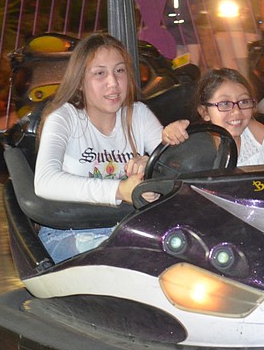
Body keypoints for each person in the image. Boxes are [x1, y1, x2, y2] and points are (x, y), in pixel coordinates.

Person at [34, 33, 182, 263]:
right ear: (80, 81)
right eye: (100, 73)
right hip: (69, 233)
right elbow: (45, 181)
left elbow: (178, 170)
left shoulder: (138, 114)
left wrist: (153, 166)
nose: (113, 83)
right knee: (128, 259)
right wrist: (121, 190)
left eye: (120, 71)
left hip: (130, 229)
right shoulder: (64, 117)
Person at [165, 67, 264, 167]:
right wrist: (170, 134)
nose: (236, 111)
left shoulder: (255, 133)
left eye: (244, 101)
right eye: (225, 103)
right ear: (205, 112)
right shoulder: (195, 144)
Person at [163, 0, 201, 65]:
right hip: (172, 38)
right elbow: (162, 14)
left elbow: (195, 14)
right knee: (176, 68)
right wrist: (173, 20)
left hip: (190, 38)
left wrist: (180, 18)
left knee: (192, 67)